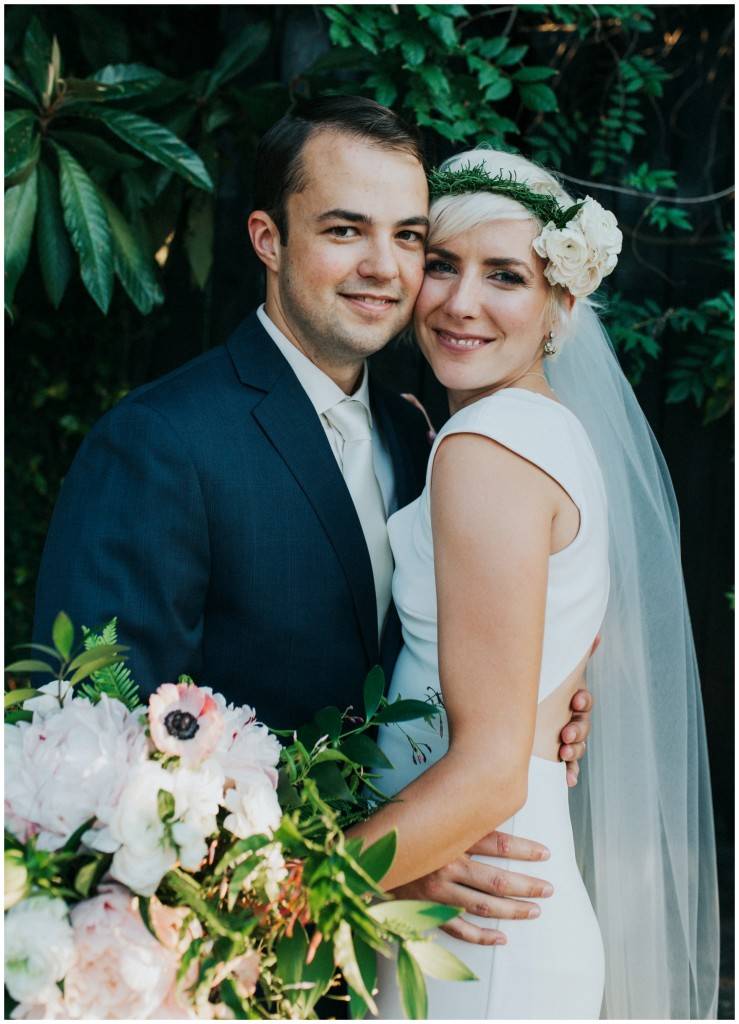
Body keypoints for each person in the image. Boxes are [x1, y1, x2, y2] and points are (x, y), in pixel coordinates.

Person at [33, 98, 595, 951]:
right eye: (344, 230)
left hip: (419, 948)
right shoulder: (159, 443)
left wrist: (542, 702)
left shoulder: (421, 434)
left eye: (408, 237)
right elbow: (96, 752)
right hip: (234, 945)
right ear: (268, 239)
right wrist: (369, 868)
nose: (383, 267)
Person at [347, 149, 719, 1019]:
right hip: (480, 901)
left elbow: (489, 774)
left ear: (562, 304)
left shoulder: (488, 450)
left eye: (505, 276)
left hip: (474, 924)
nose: (459, 302)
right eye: (442, 263)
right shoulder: (550, 434)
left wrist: (299, 883)